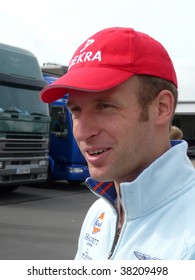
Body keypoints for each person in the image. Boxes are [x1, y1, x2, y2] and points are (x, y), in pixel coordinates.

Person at [40, 27, 195, 260]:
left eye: (104, 106)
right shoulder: (100, 212)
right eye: (76, 110)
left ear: (161, 108)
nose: (82, 132)